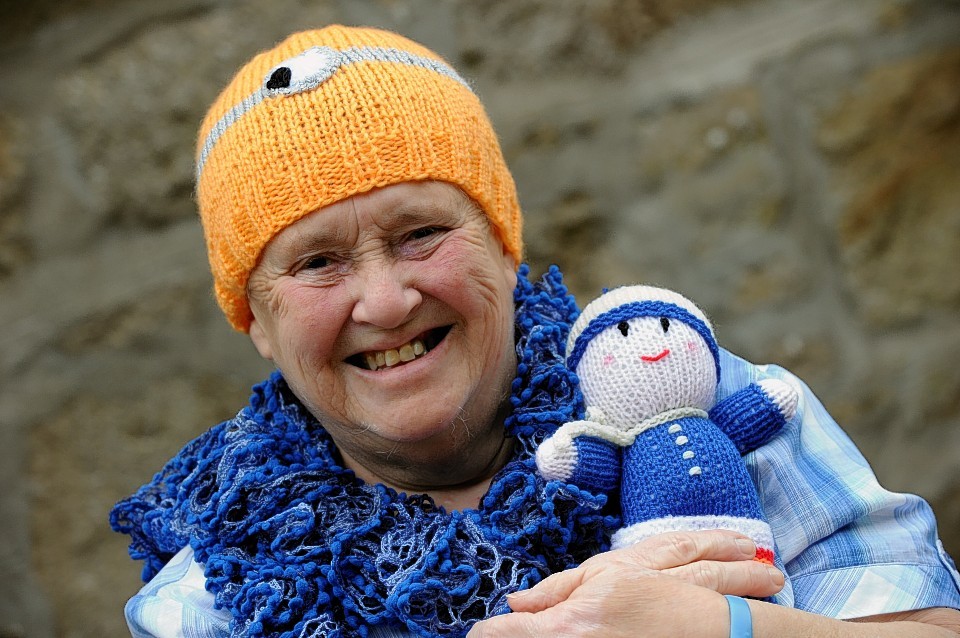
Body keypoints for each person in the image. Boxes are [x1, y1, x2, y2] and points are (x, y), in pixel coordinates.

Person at [109, 25, 960, 638]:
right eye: (317, 263)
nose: (387, 301)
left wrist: (719, 629)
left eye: (421, 234)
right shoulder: (214, 597)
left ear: (505, 244)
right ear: (256, 319)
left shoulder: (696, 399)